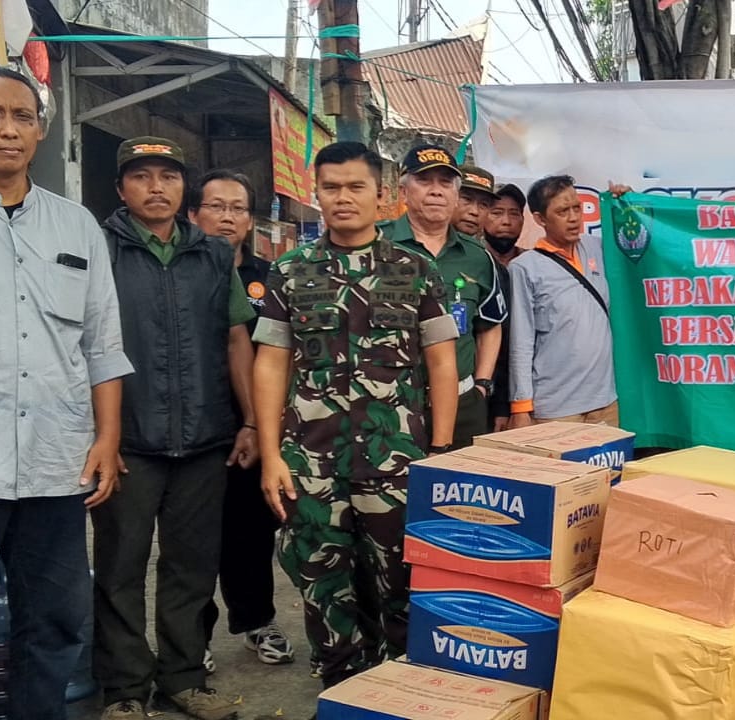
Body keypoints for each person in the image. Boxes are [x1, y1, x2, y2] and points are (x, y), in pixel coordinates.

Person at [0, 65, 131, 720]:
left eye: (23, 116)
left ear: (40, 131)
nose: (10, 129)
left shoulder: (77, 226)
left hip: (56, 462)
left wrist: (107, 439)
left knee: (55, 623)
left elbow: (102, 343)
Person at [252, 141, 459, 689]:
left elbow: (442, 363)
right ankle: (342, 688)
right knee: (323, 585)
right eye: (331, 187)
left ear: (382, 195)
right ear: (316, 193)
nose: (343, 198)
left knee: (402, 583)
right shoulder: (290, 271)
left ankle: (401, 691)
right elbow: (270, 364)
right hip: (311, 464)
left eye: (355, 187)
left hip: (398, 462)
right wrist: (271, 455)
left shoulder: (415, 269)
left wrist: (440, 450)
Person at [92, 137, 254, 720]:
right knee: (120, 568)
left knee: (192, 567)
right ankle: (124, 688)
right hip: (129, 440)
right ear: (121, 188)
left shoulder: (211, 254)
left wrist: (250, 420)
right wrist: (100, 434)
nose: (156, 187)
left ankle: (184, 679)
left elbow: (236, 338)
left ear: (185, 189)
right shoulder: (99, 248)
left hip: (206, 438)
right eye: (141, 176)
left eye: (168, 176)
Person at [189, 170, 297, 669]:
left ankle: (257, 621)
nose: (227, 217)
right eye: (216, 206)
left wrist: (262, 425)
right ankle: (192, 637)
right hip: (192, 423)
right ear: (194, 214)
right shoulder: (180, 272)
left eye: (238, 208)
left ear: (251, 221)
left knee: (251, 531)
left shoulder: (270, 278)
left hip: (254, 425)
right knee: (193, 536)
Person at [382, 146, 507, 449]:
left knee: (457, 479)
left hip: (463, 404)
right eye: (425, 181)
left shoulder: (477, 257)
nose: (436, 191)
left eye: (445, 183)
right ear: (403, 190)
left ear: (455, 193)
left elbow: (490, 325)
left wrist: (481, 385)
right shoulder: (376, 244)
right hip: (388, 403)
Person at [508, 175, 617, 427]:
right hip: (556, 407)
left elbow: (637, 242)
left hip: (606, 402)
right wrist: (521, 406)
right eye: (562, 211)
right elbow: (521, 341)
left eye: (577, 208)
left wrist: (628, 203)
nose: (574, 218)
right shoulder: (524, 268)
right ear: (540, 219)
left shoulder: (598, 248)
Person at [484, 182, 525, 432]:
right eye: (497, 213)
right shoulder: (473, 262)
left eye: (514, 213)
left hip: (526, 393)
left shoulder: (533, 264)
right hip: (479, 391)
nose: (506, 221)